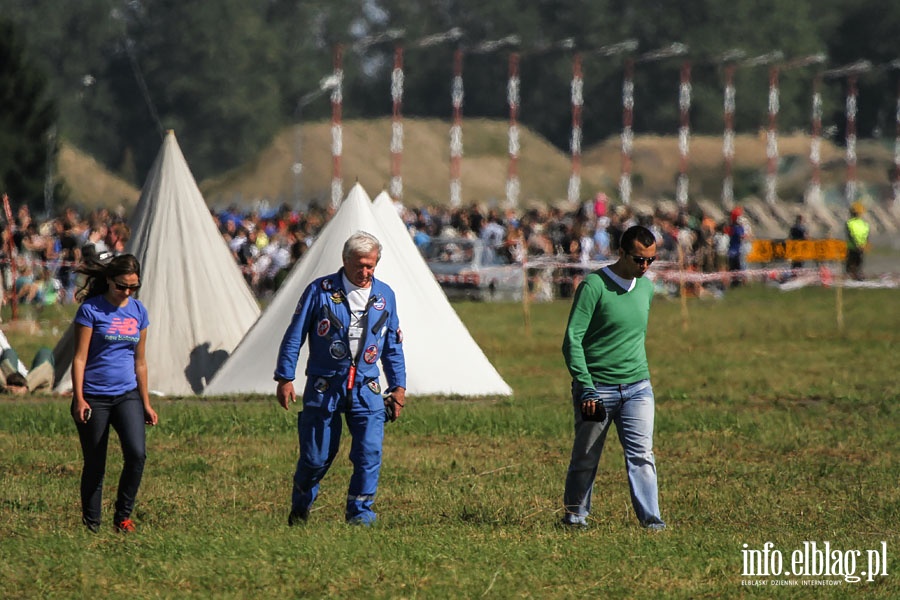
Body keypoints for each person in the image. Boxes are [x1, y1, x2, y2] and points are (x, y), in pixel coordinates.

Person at [275, 231, 406, 526]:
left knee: (369, 454)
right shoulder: (319, 292)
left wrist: (398, 386)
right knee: (316, 458)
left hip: (367, 388)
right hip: (325, 386)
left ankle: (360, 515)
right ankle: (300, 508)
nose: (365, 272)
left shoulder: (385, 296)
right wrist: (285, 377)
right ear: (345, 261)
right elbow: (294, 335)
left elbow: (393, 345)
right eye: (360, 265)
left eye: (371, 265)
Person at [560, 225, 666, 530]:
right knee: (586, 456)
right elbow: (572, 340)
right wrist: (586, 388)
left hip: (638, 388)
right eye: (638, 259)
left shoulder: (646, 288)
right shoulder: (593, 286)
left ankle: (652, 521)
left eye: (651, 260)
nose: (645, 266)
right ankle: (575, 517)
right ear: (621, 253)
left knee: (642, 455)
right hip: (597, 390)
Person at [70, 254, 157, 533]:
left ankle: (123, 517)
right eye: (122, 286)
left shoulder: (139, 312)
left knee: (137, 454)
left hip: (127, 394)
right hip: (94, 396)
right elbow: (79, 358)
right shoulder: (91, 310)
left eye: (134, 287)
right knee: (96, 463)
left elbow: (140, 362)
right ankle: (92, 526)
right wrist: (79, 398)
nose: (127, 292)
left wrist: (146, 403)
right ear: (109, 280)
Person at [845, 202, 869, 281]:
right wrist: (863, 245)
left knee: (851, 263)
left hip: (853, 247)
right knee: (859, 262)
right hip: (861, 246)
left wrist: (856, 245)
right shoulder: (865, 224)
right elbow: (866, 236)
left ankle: (855, 276)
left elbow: (850, 235)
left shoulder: (849, 223)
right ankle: (858, 275)